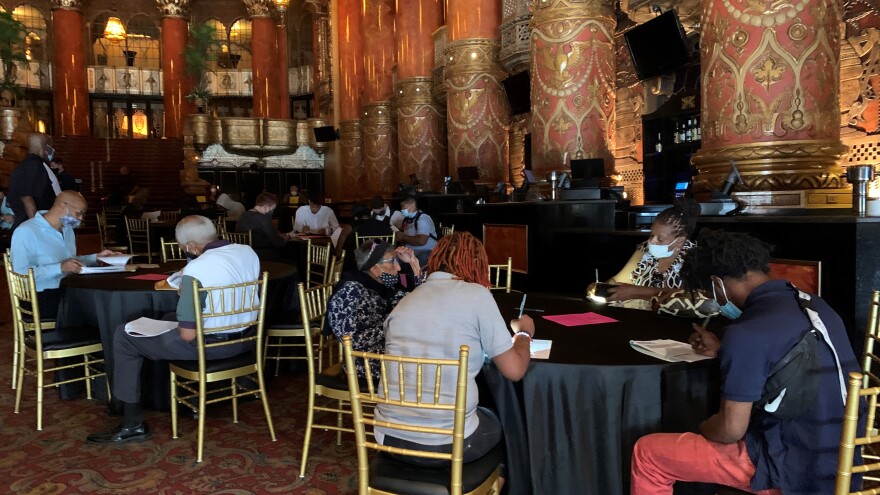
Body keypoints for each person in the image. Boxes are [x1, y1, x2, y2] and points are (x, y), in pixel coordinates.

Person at [630, 230, 861, 495]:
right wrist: (722, 350)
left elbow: (730, 430)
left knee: (648, 453)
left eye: (708, 290)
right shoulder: (817, 305)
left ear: (717, 283)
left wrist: (702, 425)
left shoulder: (748, 333)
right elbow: (793, 363)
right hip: (841, 457)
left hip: (790, 469)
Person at [87, 215, 261, 444]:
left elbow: (188, 335)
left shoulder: (196, 269)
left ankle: (132, 424)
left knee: (124, 335)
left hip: (210, 346)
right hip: (248, 339)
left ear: (190, 246)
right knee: (168, 317)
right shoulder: (247, 251)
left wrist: (186, 297)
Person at [375, 232, 533, 465]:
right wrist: (523, 334)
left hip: (388, 438)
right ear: (477, 263)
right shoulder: (477, 295)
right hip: (449, 442)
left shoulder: (406, 300)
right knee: (503, 419)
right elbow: (515, 370)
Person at [10, 191, 121, 319]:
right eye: (78, 213)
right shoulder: (27, 231)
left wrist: (97, 257)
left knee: (105, 301)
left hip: (66, 290)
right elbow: (20, 273)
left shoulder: (67, 230)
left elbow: (69, 262)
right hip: (40, 297)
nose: (81, 218)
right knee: (99, 310)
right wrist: (59, 268)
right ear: (63, 205)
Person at [326, 240, 421, 379]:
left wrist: (413, 263)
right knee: (426, 366)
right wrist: (391, 325)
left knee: (430, 355)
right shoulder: (350, 291)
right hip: (364, 361)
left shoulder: (381, 287)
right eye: (392, 261)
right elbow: (350, 341)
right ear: (374, 267)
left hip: (387, 350)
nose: (398, 268)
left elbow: (417, 302)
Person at [590, 197, 700, 302]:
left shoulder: (696, 256)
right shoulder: (645, 250)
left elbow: (696, 296)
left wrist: (637, 291)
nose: (652, 241)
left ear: (680, 240)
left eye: (660, 239)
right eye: (652, 234)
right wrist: (602, 287)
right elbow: (619, 279)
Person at [7, 132, 59, 229]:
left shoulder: (26, 166)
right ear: (44, 148)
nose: (52, 150)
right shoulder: (34, 166)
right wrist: (37, 228)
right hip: (34, 225)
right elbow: (27, 198)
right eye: (51, 147)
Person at [236, 192, 295, 261]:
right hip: (260, 255)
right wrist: (289, 236)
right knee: (290, 256)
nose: (271, 212)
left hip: (243, 253)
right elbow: (278, 242)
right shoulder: (261, 218)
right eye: (272, 209)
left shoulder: (243, 215)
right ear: (266, 207)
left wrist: (285, 235)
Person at [393, 196, 437, 266]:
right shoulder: (407, 220)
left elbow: (421, 241)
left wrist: (402, 237)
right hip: (411, 250)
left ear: (412, 205)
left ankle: (416, 276)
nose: (401, 210)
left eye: (404, 207)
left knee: (421, 259)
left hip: (426, 250)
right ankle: (402, 277)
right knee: (394, 259)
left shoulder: (423, 219)